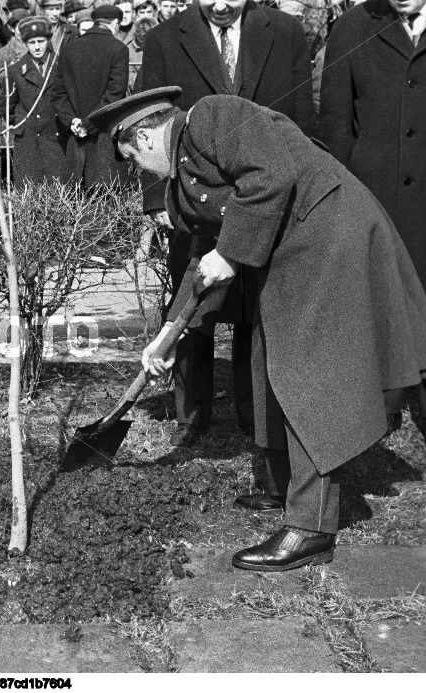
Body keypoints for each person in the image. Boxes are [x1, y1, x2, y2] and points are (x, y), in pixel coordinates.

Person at [90, 87, 426, 571]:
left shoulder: (213, 117)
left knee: (304, 374)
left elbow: (272, 174)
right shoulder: (183, 184)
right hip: (295, 251)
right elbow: (199, 267)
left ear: (143, 136)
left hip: (330, 232)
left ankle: (311, 527)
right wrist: (168, 335)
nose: (142, 172)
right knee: (265, 361)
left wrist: (230, 252)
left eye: (135, 161)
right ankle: (284, 486)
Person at [137, 0, 315, 474]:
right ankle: (190, 414)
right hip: (193, 206)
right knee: (195, 297)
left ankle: (255, 414)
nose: (220, 4)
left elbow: (307, 119)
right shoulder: (163, 39)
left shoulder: (287, 33)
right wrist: (158, 202)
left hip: (267, 199)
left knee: (258, 314)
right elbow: (145, 128)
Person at [318, 0, 426, 438]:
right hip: (373, 195)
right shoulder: (351, 27)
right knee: (380, 296)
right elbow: (334, 122)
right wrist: (339, 199)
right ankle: (381, 407)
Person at [49, 4, 129, 190]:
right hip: (104, 142)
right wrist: (89, 124)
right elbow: (114, 96)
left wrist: (73, 122)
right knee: (107, 205)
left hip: (75, 141)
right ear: (116, 23)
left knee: (76, 207)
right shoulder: (118, 49)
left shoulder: (69, 49)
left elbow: (58, 95)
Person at [4, 17, 67, 186]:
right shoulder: (15, 71)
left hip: (56, 138)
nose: (37, 47)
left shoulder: (61, 66)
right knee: (28, 190)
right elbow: (7, 107)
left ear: (48, 40)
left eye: (41, 41)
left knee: (57, 191)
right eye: (32, 42)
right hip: (28, 142)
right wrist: (21, 126)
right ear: (25, 43)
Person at [128, 15, 158, 91]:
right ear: (136, 33)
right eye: (143, 35)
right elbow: (129, 80)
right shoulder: (127, 50)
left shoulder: (162, 47)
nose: (145, 38)